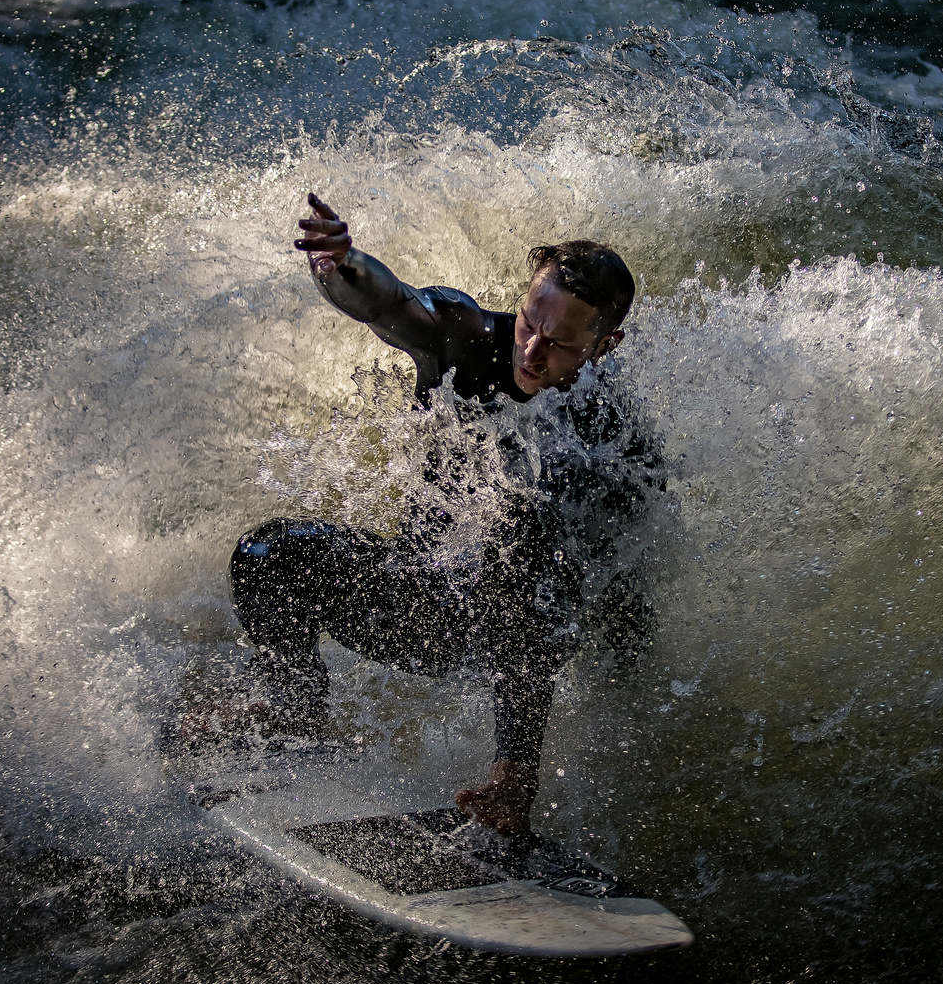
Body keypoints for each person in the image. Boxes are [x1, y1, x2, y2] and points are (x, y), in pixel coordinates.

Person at [187, 193, 657, 836]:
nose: (531, 353)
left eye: (558, 343)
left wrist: (629, 696)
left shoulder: (610, 435)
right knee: (269, 556)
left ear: (604, 345)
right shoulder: (462, 338)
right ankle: (294, 713)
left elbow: (620, 575)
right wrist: (343, 264)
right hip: (419, 600)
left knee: (524, 532)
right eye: (528, 324)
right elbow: (390, 304)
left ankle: (513, 777)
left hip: (508, 639)